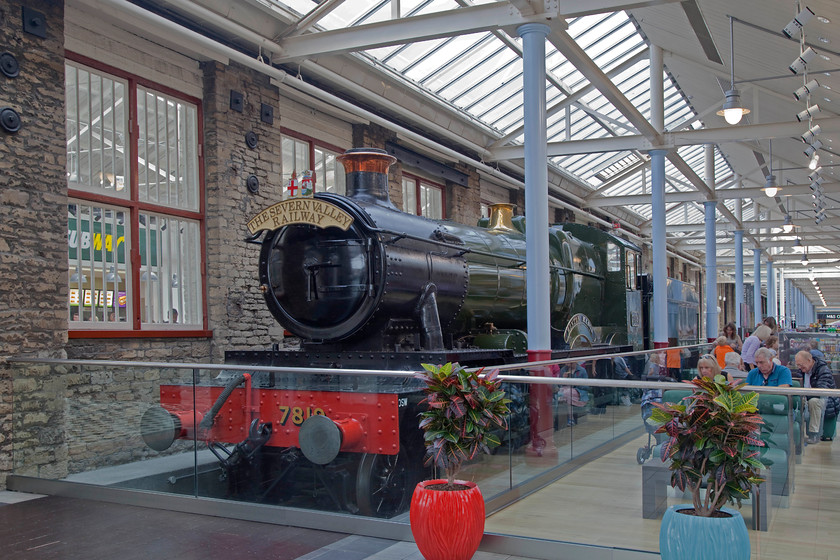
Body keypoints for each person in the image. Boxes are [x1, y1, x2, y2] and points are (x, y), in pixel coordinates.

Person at [794, 350, 840, 444]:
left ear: (809, 360)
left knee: (813, 402)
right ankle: (794, 433)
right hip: (807, 398)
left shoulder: (823, 370)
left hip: (827, 400)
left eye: (801, 364)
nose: (799, 367)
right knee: (794, 401)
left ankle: (813, 434)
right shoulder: (802, 371)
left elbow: (821, 391)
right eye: (797, 365)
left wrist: (805, 396)